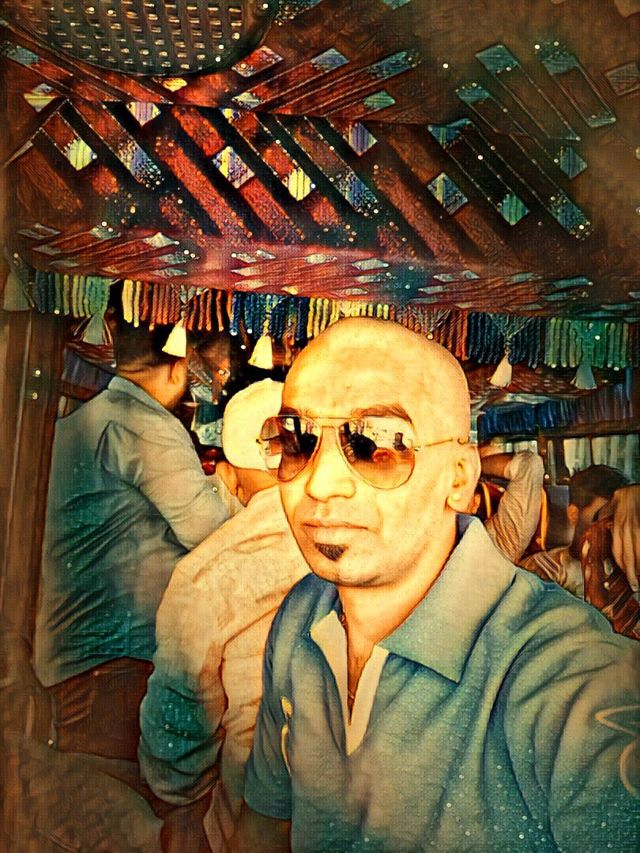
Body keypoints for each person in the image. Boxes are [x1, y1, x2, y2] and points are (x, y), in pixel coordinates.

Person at [235, 317, 640, 852]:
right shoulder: (301, 616)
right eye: (296, 441)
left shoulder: (571, 677)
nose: (321, 482)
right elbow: (264, 826)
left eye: (378, 444)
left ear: (458, 477)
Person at [33, 311, 228, 761]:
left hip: (75, 659)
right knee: (120, 790)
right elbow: (213, 537)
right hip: (114, 663)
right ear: (180, 366)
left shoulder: (90, 419)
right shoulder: (145, 425)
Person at [139, 380, 308, 851]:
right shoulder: (365, 541)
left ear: (231, 479)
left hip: (250, 822)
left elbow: (177, 730)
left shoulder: (207, 573)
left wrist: (181, 798)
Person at [520, 465, 633, 598]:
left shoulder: (629, 568)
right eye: (602, 517)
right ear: (573, 514)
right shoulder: (542, 568)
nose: (614, 528)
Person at [474, 447, 545, 564]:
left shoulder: (498, 544)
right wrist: (475, 466)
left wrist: (474, 467)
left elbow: (528, 466)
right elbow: (528, 465)